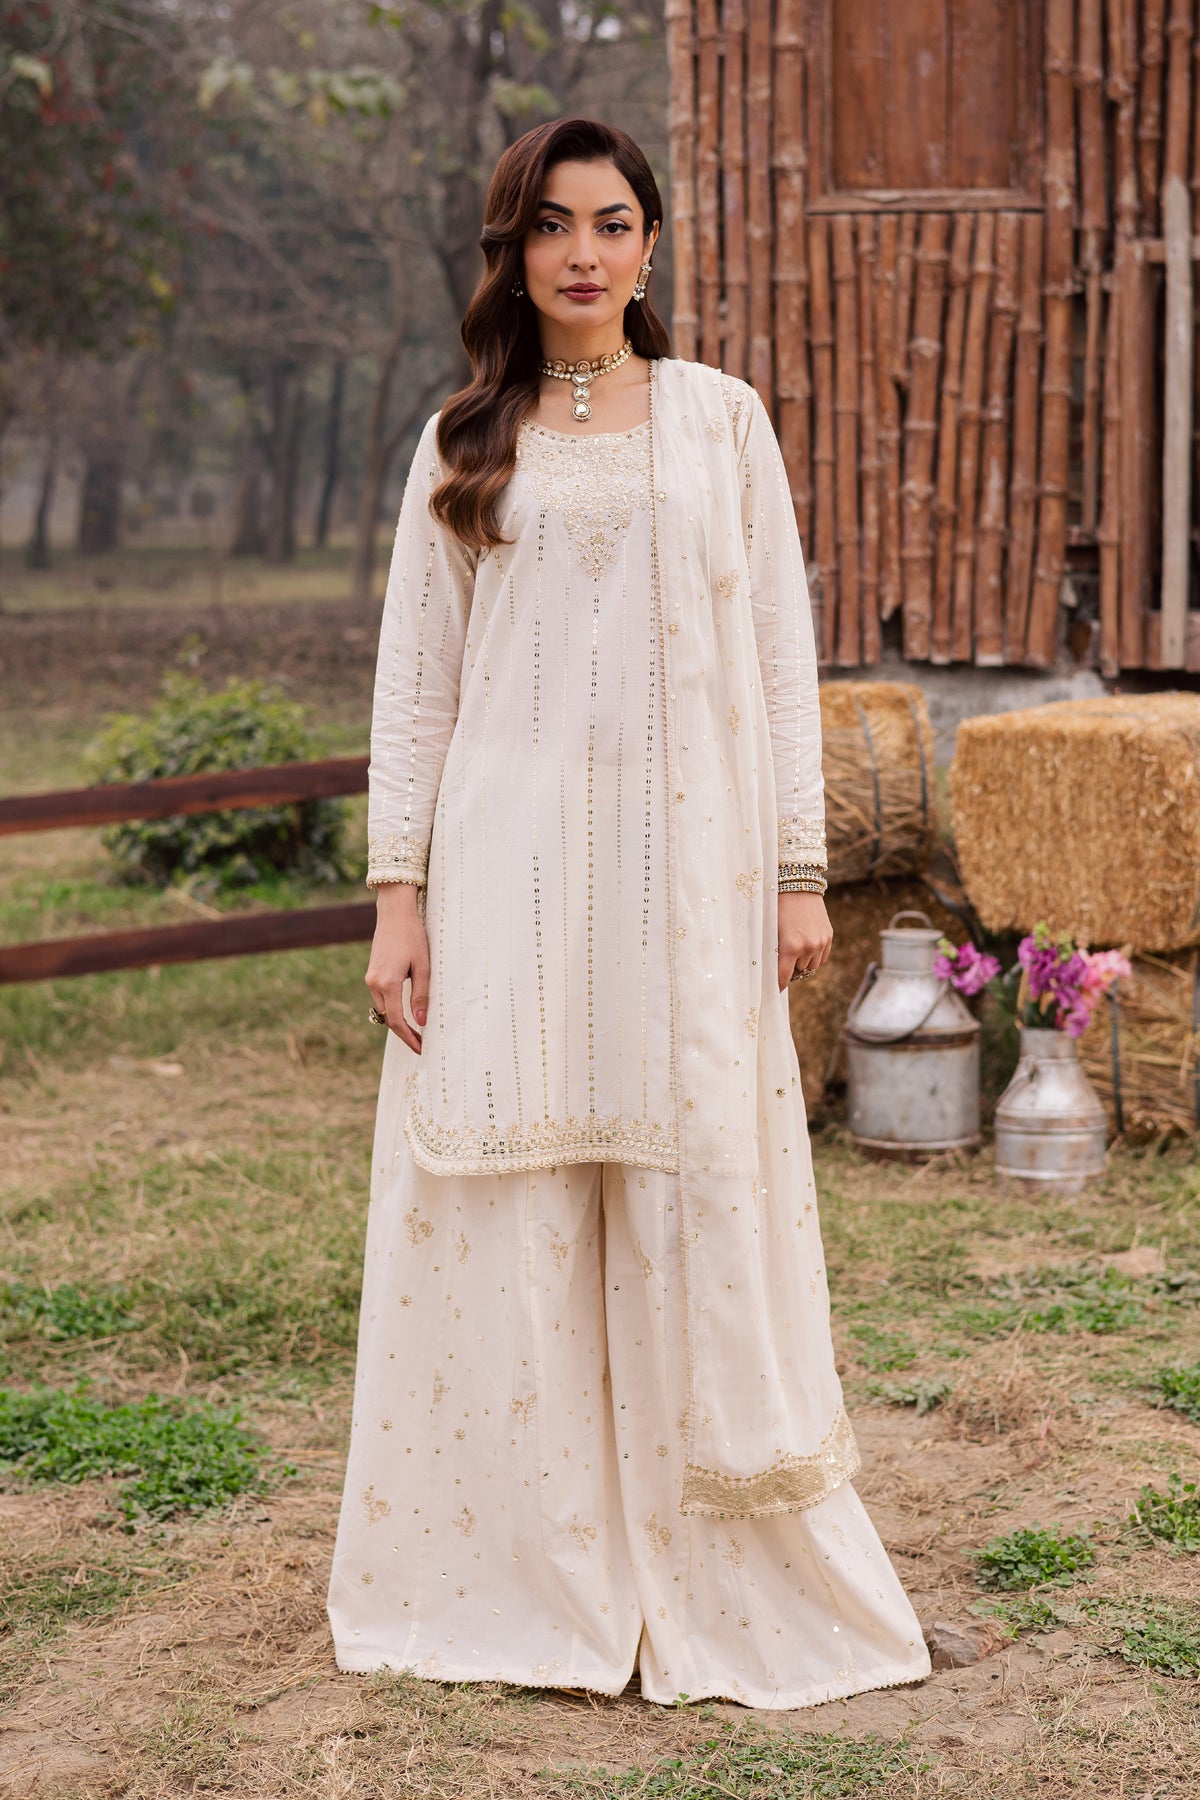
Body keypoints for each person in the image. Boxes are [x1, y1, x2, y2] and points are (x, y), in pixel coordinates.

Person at [327, 116, 931, 1709]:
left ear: (652, 244)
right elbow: (418, 686)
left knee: (687, 1189)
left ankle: (713, 1566)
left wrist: (796, 871)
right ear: (512, 250)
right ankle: (527, 1571)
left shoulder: (722, 422)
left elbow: (782, 663)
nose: (582, 252)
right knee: (510, 1197)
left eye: (611, 222)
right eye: (551, 225)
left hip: (687, 875)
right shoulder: (465, 437)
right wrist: (399, 899)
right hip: (509, 871)